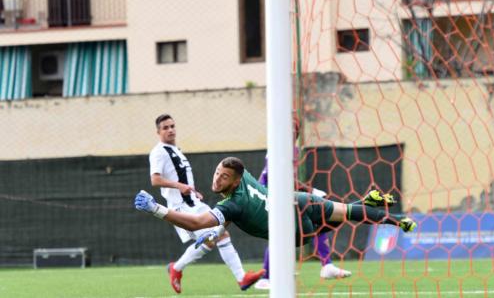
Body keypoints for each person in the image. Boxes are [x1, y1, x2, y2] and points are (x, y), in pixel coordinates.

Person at [135, 157, 417, 274]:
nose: (217, 178)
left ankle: (383, 212)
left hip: (295, 231)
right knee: (346, 212)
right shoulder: (242, 179)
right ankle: (392, 216)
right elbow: (235, 212)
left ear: (234, 182)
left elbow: (197, 221)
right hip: (297, 201)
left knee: (343, 217)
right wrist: (215, 231)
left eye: (223, 176)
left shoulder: (233, 204)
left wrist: (157, 209)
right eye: (217, 173)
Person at [149, 115, 264, 294]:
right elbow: (155, 180)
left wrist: (191, 190)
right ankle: (240, 278)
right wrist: (181, 186)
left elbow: (179, 177)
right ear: (158, 132)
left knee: (217, 236)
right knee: (219, 236)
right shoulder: (159, 152)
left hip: (193, 202)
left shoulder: (175, 150)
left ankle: (177, 268)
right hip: (181, 206)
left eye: (172, 126)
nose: (170, 130)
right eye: (165, 127)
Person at [254, 156, 353, 290]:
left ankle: (326, 265)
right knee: (280, 235)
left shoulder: (290, 146)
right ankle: (265, 278)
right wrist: (311, 191)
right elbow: (280, 178)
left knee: (315, 223)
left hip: (279, 196)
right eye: (296, 132)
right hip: (267, 198)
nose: (297, 133)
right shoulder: (279, 144)